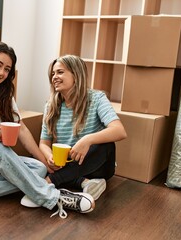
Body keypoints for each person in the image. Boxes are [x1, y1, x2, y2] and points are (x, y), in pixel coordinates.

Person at [0, 42, 95, 219]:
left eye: (7, 69)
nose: (1, 73)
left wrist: (45, 163)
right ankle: (55, 197)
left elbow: (21, 130)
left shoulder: (3, 96)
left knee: (37, 169)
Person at [21, 55, 127, 207]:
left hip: (96, 166)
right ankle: (85, 183)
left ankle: (45, 186)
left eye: (60, 72)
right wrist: (50, 157)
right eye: (53, 74)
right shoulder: (51, 106)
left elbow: (120, 131)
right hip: (69, 165)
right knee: (40, 162)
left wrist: (87, 140)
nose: (54, 77)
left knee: (107, 144)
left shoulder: (97, 99)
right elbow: (43, 143)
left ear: (76, 75)